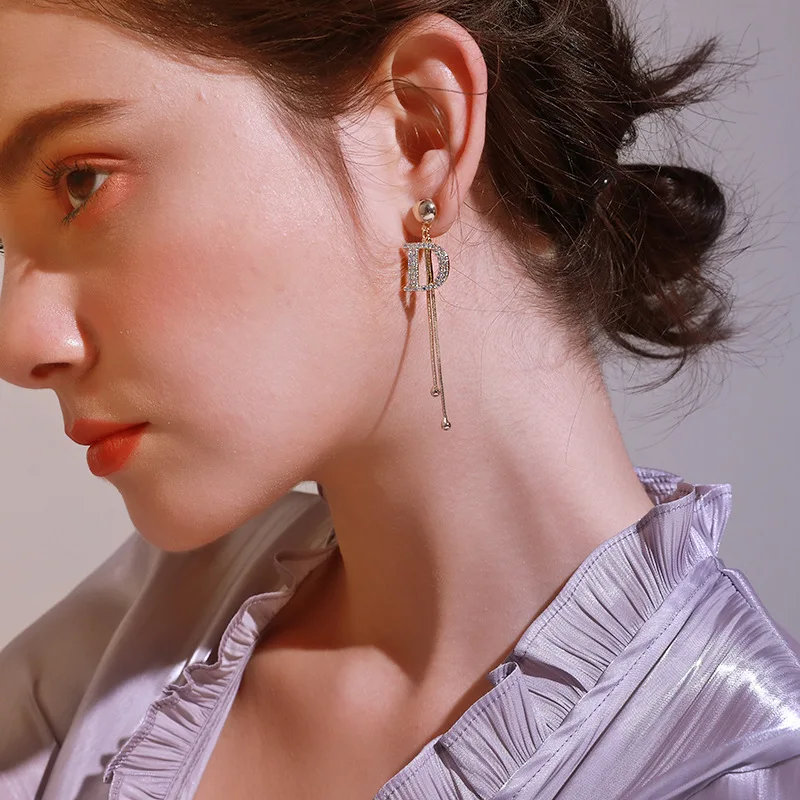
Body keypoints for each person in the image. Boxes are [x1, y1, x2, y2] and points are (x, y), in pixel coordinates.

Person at [0, 0, 798, 798]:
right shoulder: (132, 634)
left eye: (81, 183)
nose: (18, 343)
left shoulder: (739, 770)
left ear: (418, 132)